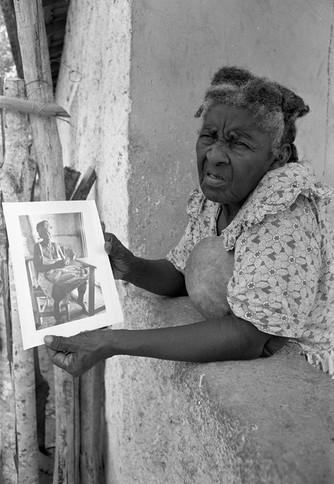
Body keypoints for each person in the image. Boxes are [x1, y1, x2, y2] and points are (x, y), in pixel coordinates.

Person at [44, 66, 334, 378]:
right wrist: (130, 267)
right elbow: (182, 272)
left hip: (309, 365)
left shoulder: (283, 211)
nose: (215, 155)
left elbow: (249, 338)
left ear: (278, 156)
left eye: (239, 144)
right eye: (209, 136)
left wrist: (110, 342)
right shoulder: (217, 197)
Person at [34, 220, 88, 325]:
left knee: (81, 276)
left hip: (59, 272)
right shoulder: (38, 247)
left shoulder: (56, 245)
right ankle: (56, 305)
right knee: (59, 286)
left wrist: (68, 259)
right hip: (45, 276)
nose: (47, 234)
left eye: (48, 230)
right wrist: (54, 265)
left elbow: (64, 262)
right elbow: (38, 267)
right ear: (40, 234)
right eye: (44, 232)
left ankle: (80, 299)